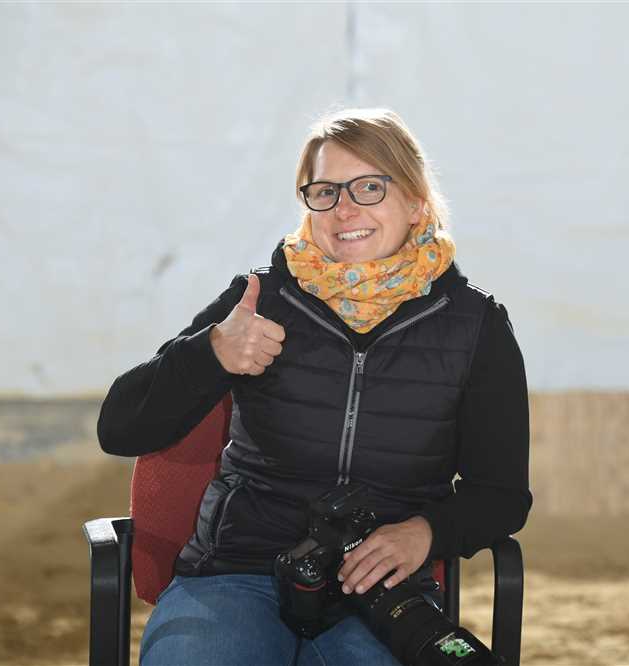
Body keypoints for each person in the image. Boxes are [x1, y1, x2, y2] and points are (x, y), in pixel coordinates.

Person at [97, 108, 532, 666]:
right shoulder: (261, 299)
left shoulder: (476, 326)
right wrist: (210, 353)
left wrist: (426, 532)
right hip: (234, 575)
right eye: (325, 191)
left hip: (375, 588)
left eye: (369, 187)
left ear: (416, 202)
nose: (344, 209)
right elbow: (120, 427)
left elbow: (501, 494)